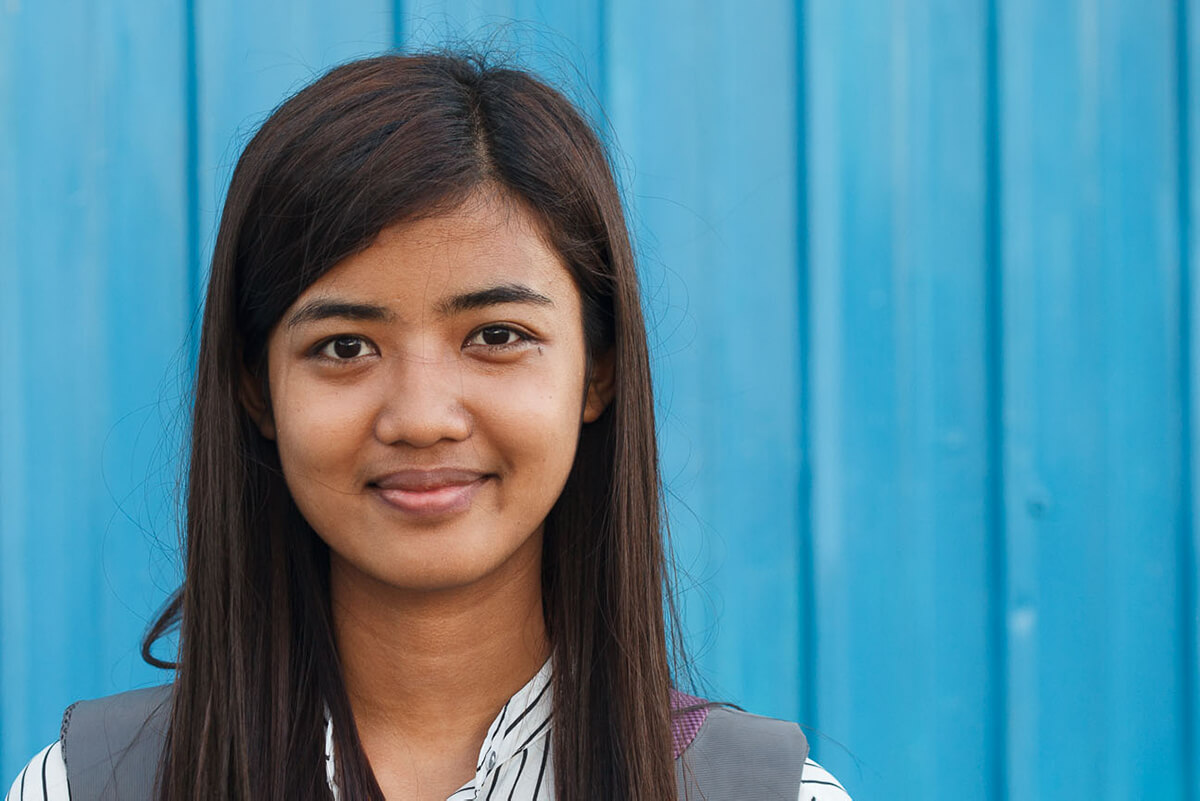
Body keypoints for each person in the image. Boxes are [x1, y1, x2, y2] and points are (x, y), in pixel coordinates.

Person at [6, 52, 851, 801]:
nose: (420, 417)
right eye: (344, 345)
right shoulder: (83, 785)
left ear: (598, 371)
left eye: (496, 336)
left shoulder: (774, 794)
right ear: (255, 388)